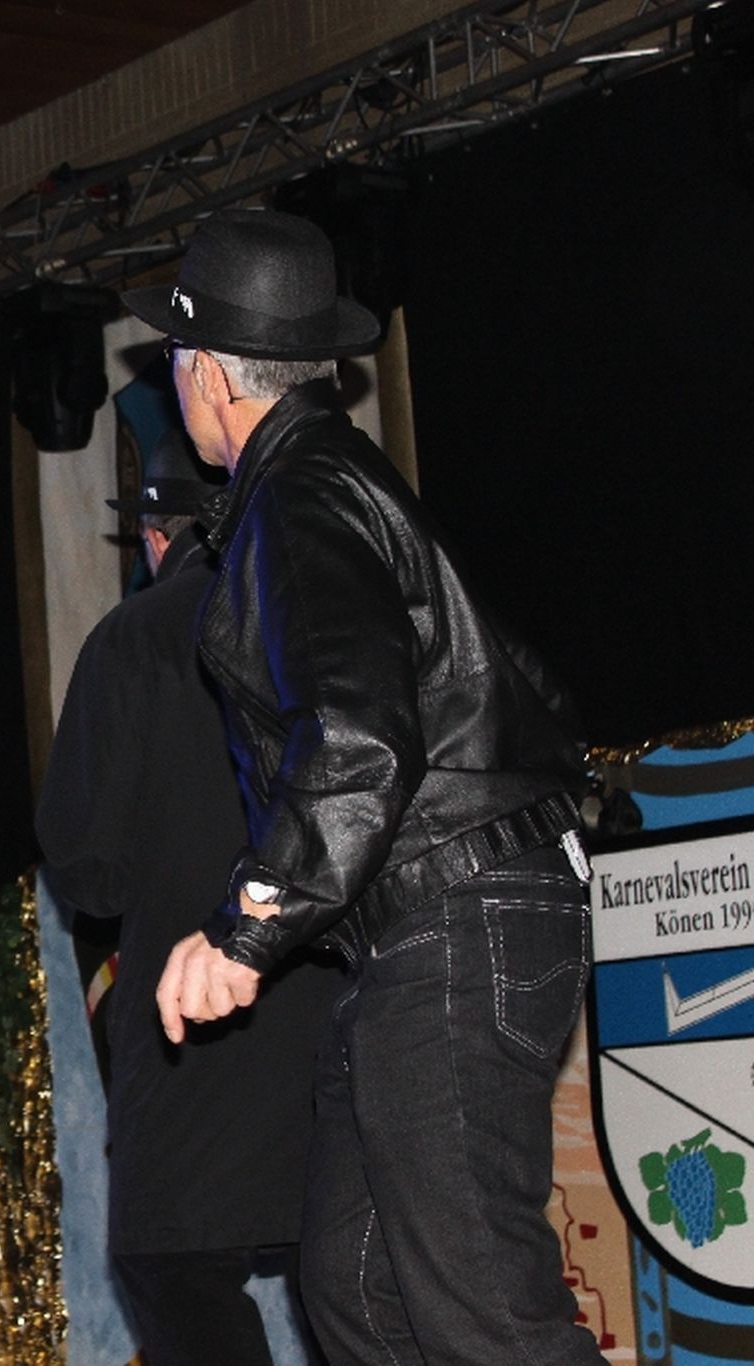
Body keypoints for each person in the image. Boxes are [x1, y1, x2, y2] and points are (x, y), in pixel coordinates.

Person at [129, 209, 602, 1364]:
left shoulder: (297, 498)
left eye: (175, 358)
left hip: (453, 915)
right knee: (351, 1283)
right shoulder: (332, 481)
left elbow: (354, 734)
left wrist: (249, 922)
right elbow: (507, 681)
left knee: (481, 1312)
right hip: (440, 917)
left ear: (207, 375)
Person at [35, 428, 342, 1366]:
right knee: (349, 1264)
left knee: (171, 1266)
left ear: (158, 535)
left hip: (196, 1012)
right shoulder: (327, 612)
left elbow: (87, 870)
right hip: (338, 998)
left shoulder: (133, 638)